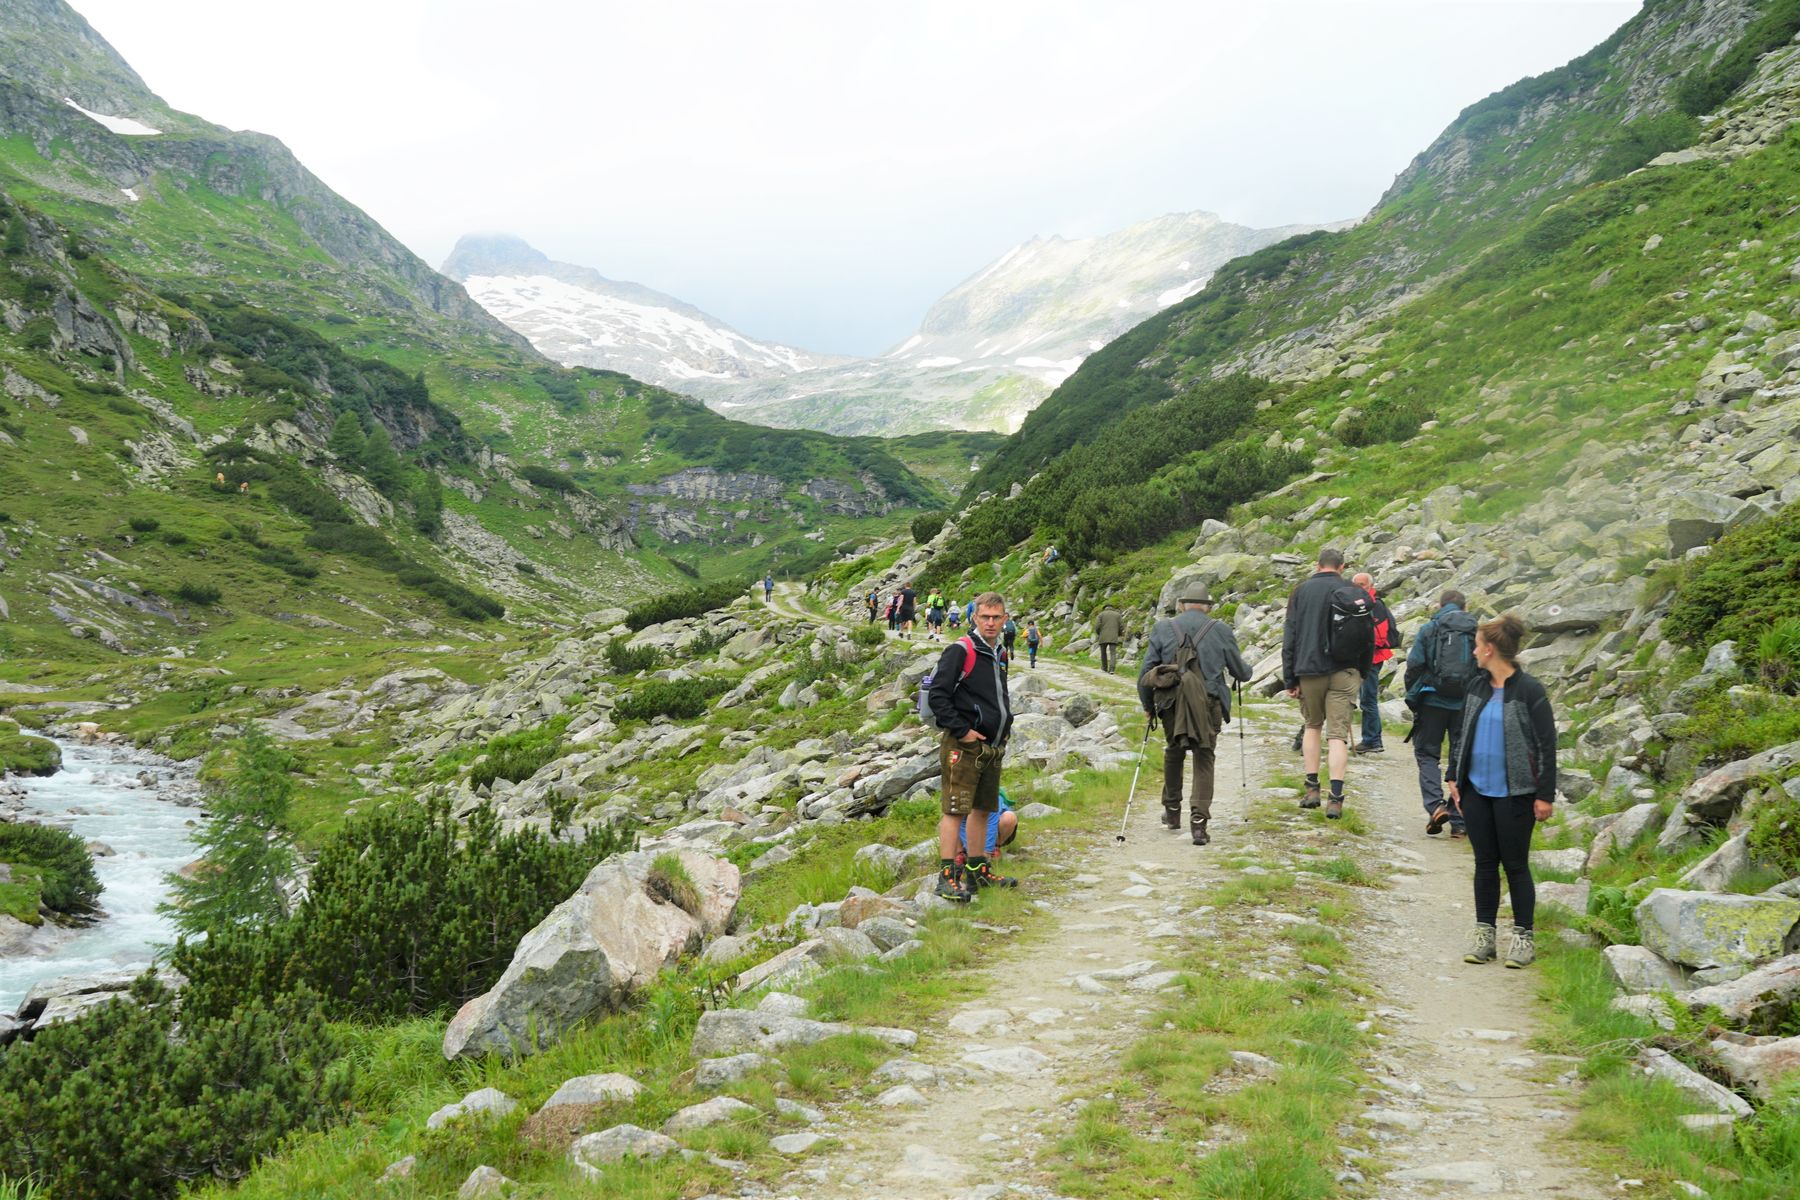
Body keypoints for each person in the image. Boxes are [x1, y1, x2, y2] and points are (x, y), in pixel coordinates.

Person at [1447, 614, 1557, 969]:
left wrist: (1545, 794)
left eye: (1478, 645)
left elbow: (1546, 745)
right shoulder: (1476, 686)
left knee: (1516, 866)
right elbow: (1461, 733)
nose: (1475, 652)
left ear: (1490, 649)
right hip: (1476, 791)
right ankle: (1485, 936)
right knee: (1483, 864)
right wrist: (1453, 776)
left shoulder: (1530, 691)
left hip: (1516, 794)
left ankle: (1523, 939)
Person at [1138, 584, 1252, 846]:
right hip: (1208, 703)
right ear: (1208, 606)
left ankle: (1172, 812)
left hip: (1170, 703)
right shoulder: (1221, 629)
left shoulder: (1163, 628)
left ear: (1181, 605)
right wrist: (1248, 671)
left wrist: (1148, 706)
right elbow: (1241, 673)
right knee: (1204, 755)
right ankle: (1199, 825)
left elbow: (1146, 671)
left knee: (1173, 750)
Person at [927, 592, 1015, 900]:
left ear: (1005, 619)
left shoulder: (998, 652)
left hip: (991, 746)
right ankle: (947, 876)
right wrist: (962, 730)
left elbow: (998, 696)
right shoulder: (960, 650)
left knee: (982, 809)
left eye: (996, 617)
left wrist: (1006, 728)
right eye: (985, 617)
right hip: (963, 746)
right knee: (955, 810)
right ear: (974, 618)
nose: (991, 622)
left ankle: (979, 872)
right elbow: (938, 695)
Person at [1281, 548, 1372, 819]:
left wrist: (1290, 677)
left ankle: (1311, 789)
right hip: (1345, 670)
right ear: (1342, 567)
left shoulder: (1301, 591)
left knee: (1312, 726)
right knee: (1337, 736)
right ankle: (1335, 798)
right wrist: (1362, 671)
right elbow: (1368, 636)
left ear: (1317, 565)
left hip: (1310, 670)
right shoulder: (1355, 592)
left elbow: (1291, 634)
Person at [1406, 589, 1478, 838]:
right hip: (1465, 705)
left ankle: (1436, 806)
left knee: (1427, 754)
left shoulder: (1430, 628)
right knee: (1461, 759)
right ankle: (1459, 821)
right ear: (1464, 607)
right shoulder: (1475, 631)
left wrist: (1413, 697)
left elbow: (1414, 663)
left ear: (1441, 605)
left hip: (1432, 700)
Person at [1351, 573, 1400, 755]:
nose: (1358, 587)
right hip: (1362, 657)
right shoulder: (1359, 603)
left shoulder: (1375, 605)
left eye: (1362, 584)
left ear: (1370, 586)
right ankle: (1371, 739)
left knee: (1368, 699)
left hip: (1372, 658)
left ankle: (1373, 740)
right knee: (1365, 699)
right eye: (1355, 584)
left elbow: (1379, 636)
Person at [955, 790, 1019, 870]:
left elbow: (992, 822)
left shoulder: (989, 792)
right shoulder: (959, 794)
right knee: (950, 821)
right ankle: (960, 853)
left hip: (991, 829)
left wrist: (986, 852)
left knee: (1009, 817)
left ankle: (995, 847)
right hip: (969, 833)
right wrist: (969, 849)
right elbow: (962, 824)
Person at [1094, 604, 1124, 673]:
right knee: (1113, 653)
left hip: (1103, 636)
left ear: (1104, 608)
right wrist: (1118, 634)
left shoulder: (1101, 615)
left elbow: (1097, 626)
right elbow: (1121, 626)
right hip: (1113, 636)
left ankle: (1104, 668)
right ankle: (1112, 669)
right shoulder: (1117, 615)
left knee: (1103, 653)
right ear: (1112, 608)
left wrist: (1099, 633)